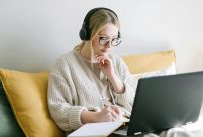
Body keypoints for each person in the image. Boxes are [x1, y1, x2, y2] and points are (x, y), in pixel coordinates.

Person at [47, 7, 137, 135]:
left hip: (124, 130)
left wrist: (112, 77)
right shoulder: (64, 64)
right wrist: (97, 117)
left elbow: (136, 106)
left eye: (114, 39)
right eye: (103, 38)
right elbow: (58, 110)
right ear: (87, 34)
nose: (109, 45)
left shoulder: (116, 62)